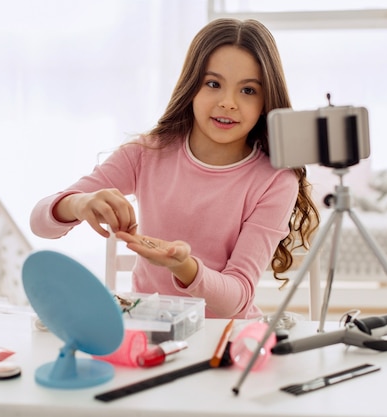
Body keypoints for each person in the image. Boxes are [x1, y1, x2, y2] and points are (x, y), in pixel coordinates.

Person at [30, 18, 319, 319]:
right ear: (191, 86)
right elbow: (40, 223)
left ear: (265, 100)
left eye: (248, 91)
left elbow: (237, 299)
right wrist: (79, 202)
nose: (228, 102)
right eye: (213, 84)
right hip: (148, 329)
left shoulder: (275, 180)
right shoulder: (147, 152)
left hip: (222, 339)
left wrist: (184, 267)